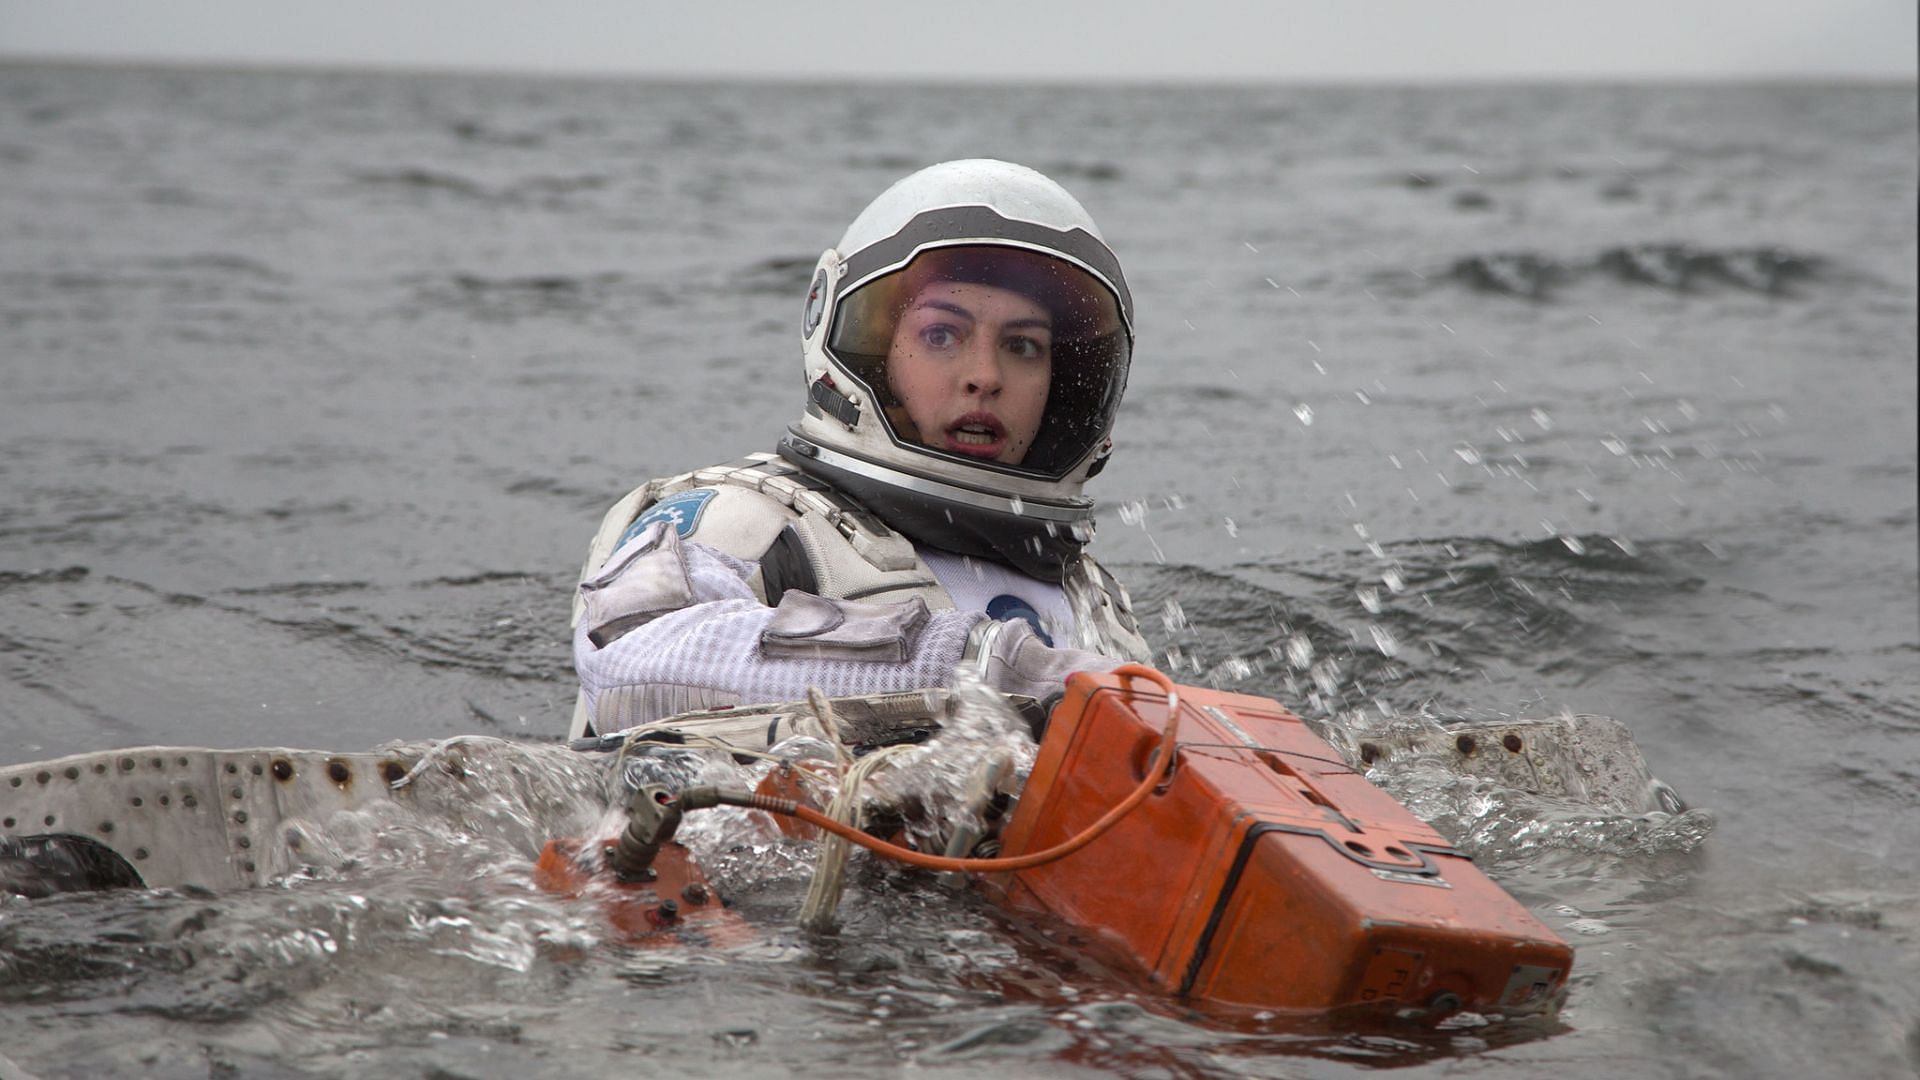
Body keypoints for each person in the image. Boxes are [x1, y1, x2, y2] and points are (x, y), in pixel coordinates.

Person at [567, 160, 1151, 741]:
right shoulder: (753, 520)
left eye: (1023, 346)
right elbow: (628, 659)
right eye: (941, 335)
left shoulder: (1090, 596)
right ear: (876, 352)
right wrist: (979, 668)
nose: (984, 375)